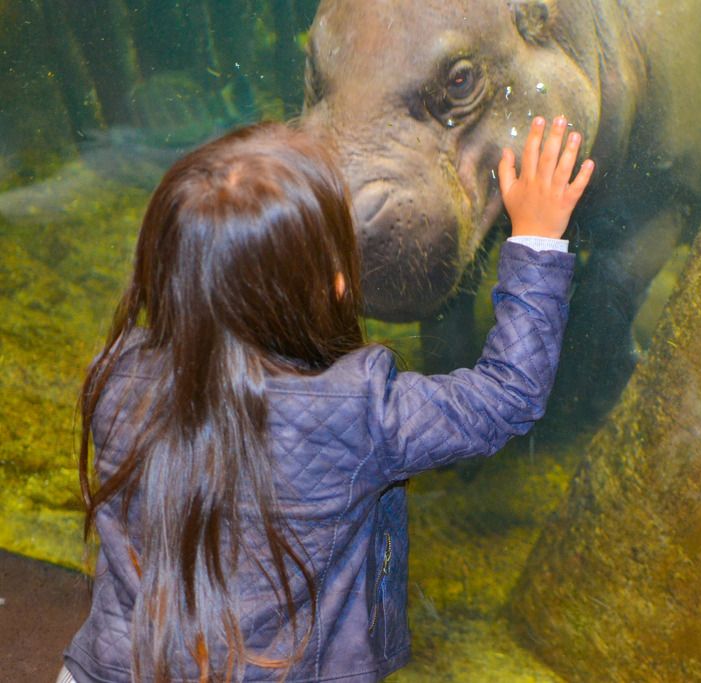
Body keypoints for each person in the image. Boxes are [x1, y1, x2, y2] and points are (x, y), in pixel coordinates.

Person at [60, 114, 593, 683]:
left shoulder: (118, 378)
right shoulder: (361, 409)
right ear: (336, 286)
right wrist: (535, 238)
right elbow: (507, 394)